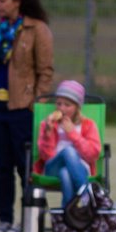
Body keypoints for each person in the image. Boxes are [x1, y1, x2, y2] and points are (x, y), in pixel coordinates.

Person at [0, 0, 53, 232]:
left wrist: (36, 104)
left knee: (25, 167)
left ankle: (29, 219)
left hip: (22, 108)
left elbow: (46, 72)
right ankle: (4, 220)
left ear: (18, 0)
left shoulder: (37, 29)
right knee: (2, 167)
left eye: (2, 0)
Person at [34, 80, 101, 209]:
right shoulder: (48, 124)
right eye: (58, 103)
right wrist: (48, 133)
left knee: (65, 173)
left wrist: (73, 134)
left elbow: (93, 155)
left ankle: (67, 218)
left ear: (77, 107)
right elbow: (46, 157)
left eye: (67, 105)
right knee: (68, 152)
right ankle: (87, 196)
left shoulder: (88, 125)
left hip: (81, 168)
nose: (61, 108)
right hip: (52, 167)